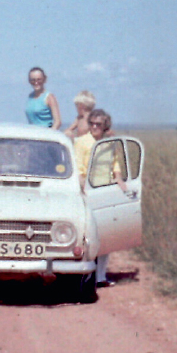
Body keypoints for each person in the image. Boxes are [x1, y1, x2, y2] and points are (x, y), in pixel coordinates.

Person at [74, 108, 126, 287]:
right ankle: (85, 275)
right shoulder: (81, 142)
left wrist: (118, 179)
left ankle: (101, 276)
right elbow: (79, 168)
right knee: (89, 236)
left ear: (105, 126)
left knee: (106, 236)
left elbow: (115, 163)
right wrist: (84, 188)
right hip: (90, 191)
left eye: (99, 124)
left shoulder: (110, 143)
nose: (95, 127)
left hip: (107, 191)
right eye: (92, 123)